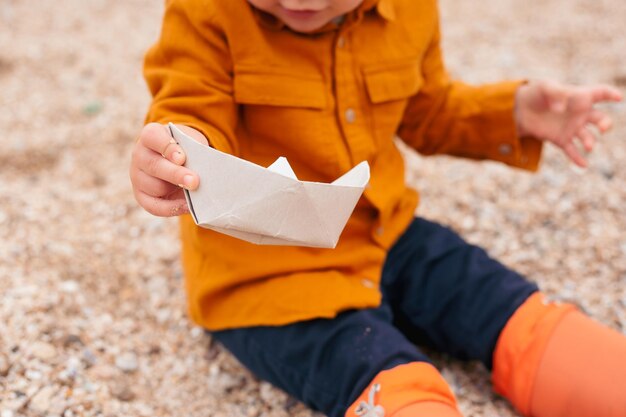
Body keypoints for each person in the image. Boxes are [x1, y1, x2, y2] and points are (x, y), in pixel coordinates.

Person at [129, 1, 626, 416]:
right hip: (269, 278)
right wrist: (179, 152)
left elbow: (429, 111)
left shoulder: (408, 11)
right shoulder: (206, 14)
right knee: (391, 379)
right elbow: (192, 104)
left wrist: (516, 111)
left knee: (507, 309)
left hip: (385, 233)